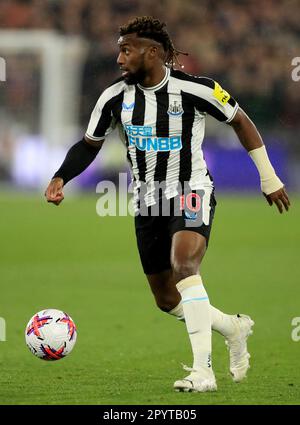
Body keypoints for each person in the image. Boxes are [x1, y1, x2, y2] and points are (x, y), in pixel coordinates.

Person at [45, 16, 290, 393]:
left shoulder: (196, 89)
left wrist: (268, 176)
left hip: (192, 190)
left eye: (126, 50)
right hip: (147, 201)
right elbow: (89, 145)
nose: (119, 58)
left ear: (153, 52)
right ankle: (232, 328)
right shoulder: (113, 97)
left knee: (185, 265)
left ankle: (202, 372)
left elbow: (241, 121)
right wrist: (62, 176)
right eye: (119, 50)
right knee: (165, 298)